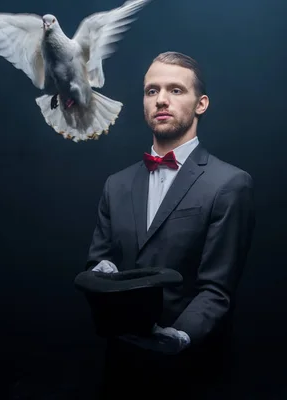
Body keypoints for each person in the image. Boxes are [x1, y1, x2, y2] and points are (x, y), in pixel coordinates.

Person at [85, 51, 256, 399]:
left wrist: (178, 337)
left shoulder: (230, 183)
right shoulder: (115, 184)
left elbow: (217, 288)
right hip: (120, 371)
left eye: (176, 90)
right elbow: (97, 263)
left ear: (201, 104)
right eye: (152, 91)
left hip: (194, 372)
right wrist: (100, 273)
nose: (161, 99)